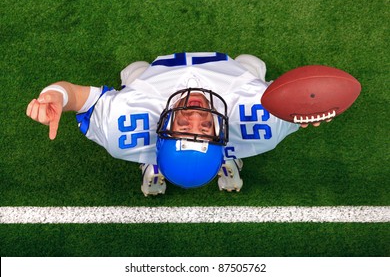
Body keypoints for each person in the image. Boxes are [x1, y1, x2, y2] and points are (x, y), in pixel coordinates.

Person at [26, 52, 329, 196]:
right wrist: (310, 107)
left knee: (133, 70)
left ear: (161, 130)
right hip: (229, 72)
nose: (195, 114)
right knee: (252, 63)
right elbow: (304, 102)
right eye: (205, 129)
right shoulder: (262, 120)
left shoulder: (122, 125)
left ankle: (152, 164)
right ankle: (228, 157)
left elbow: (77, 96)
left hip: (155, 77)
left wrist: (53, 95)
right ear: (220, 132)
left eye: (184, 126)